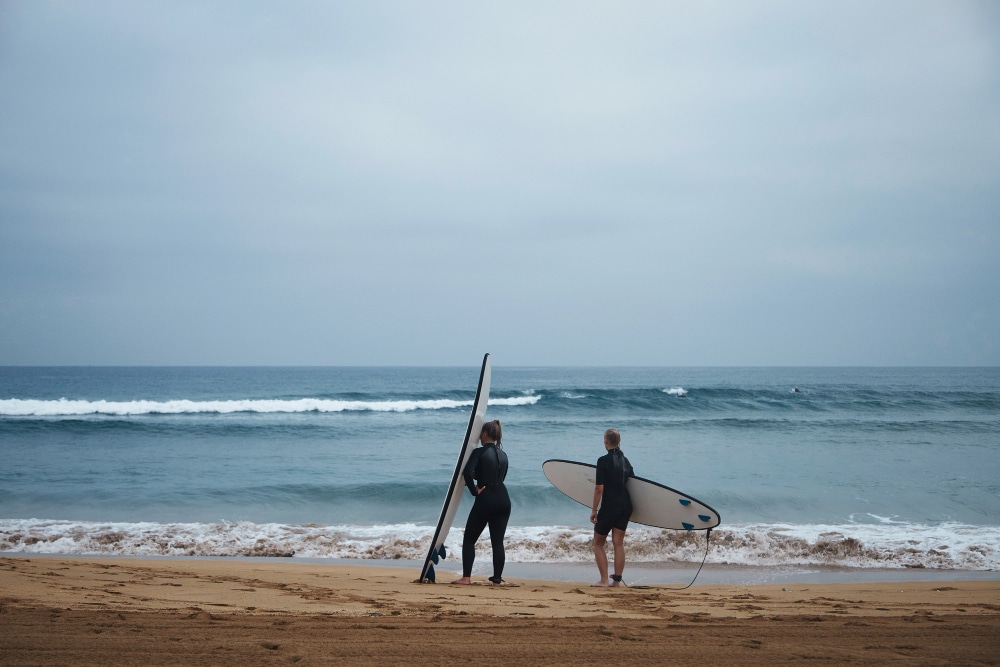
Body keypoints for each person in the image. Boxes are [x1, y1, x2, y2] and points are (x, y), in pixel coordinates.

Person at [452, 419, 512, 586]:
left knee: (469, 539)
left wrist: (474, 491)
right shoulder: (504, 455)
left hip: (486, 499)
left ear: (484, 434)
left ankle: (466, 577)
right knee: (497, 542)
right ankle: (497, 579)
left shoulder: (479, 452)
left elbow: (467, 472)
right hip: (504, 499)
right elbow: (499, 476)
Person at [590, 428, 633, 587]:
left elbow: (598, 488)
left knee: (598, 543)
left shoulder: (603, 461)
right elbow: (633, 484)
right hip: (625, 506)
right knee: (618, 543)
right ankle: (616, 583)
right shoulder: (626, 461)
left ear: (606, 441)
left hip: (609, 507)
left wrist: (594, 510)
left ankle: (603, 580)